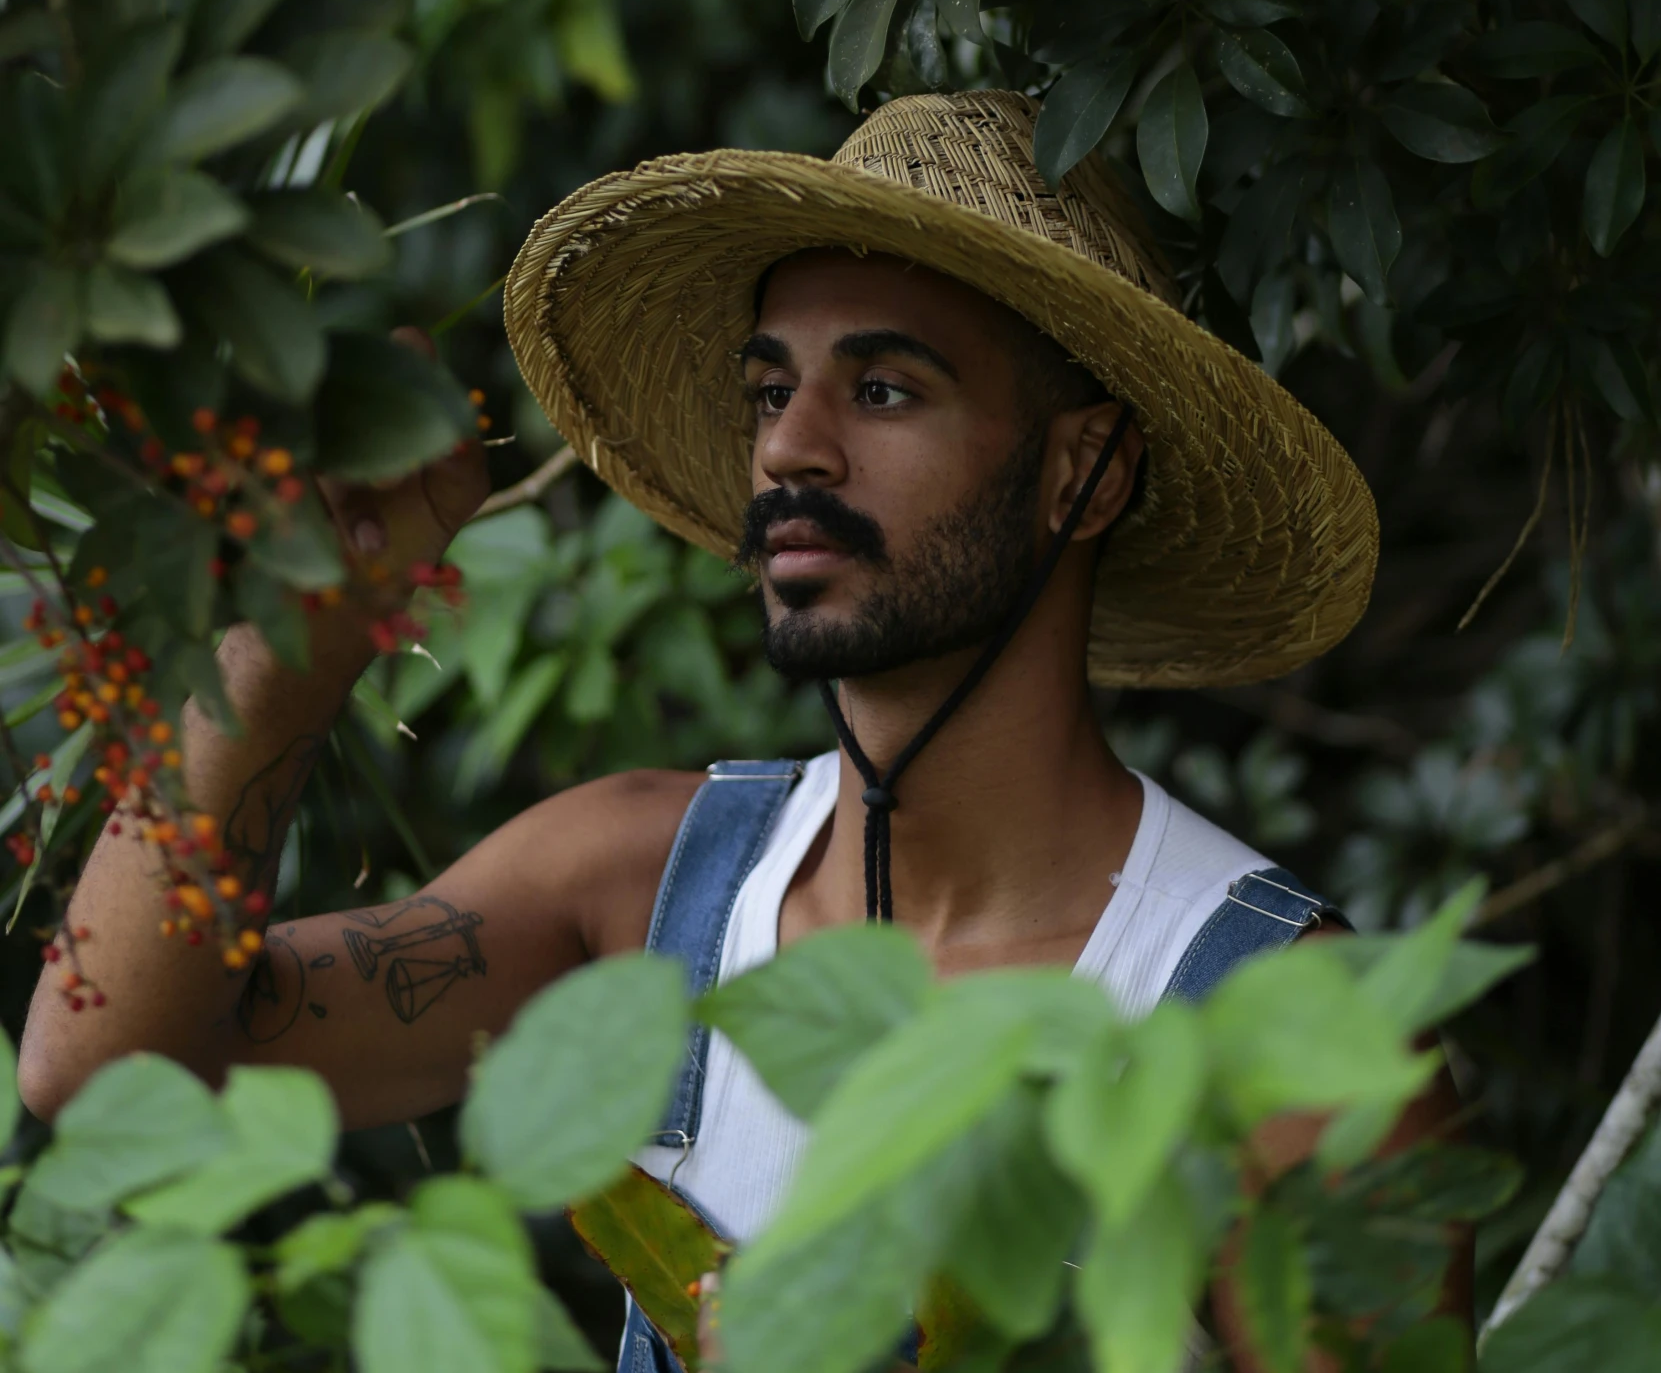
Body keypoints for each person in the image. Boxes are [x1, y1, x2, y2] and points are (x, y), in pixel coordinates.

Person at [18, 90, 1456, 1362]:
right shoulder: (637, 892)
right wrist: (286, 652)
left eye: (882, 389)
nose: (787, 446)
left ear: (1082, 469)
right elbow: (111, 1076)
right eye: (771, 389)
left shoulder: (1280, 1038)